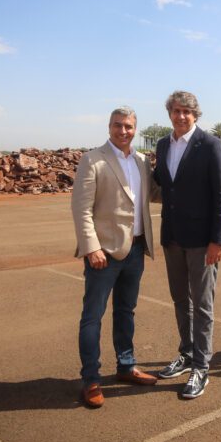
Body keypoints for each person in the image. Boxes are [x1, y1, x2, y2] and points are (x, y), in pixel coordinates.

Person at [71, 106, 159, 408]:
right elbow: (81, 209)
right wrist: (91, 247)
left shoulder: (142, 161)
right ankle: (91, 379)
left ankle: (126, 365)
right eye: (118, 125)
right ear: (109, 127)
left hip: (135, 249)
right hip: (104, 253)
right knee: (92, 317)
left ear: (136, 129)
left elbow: (156, 194)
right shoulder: (92, 160)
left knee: (126, 311)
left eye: (129, 127)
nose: (123, 131)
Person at [153, 90, 221, 399]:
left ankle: (202, 366)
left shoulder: (210, 145)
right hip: (172, 238)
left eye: (187, 111)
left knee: (202, 304)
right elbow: (161, 186)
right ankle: (186, 354)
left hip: (203, 242)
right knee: (179, 300)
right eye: (176, 111)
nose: (181, 116)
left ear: (195, 115)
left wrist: (218, 240)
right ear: (169, 114)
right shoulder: (163, 145)